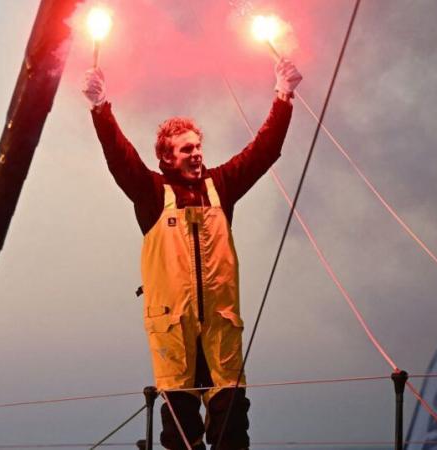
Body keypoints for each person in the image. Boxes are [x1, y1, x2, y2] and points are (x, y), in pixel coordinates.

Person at [82, 59, 301, 450]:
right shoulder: (151, 194)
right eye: (187, 149)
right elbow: (120, 157)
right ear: (167, 157)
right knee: (180, 435)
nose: (197, 154)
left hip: (220, 325)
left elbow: (264, 151)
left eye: (199, 146)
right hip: (173, 330)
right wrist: (101, 109)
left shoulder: (222, 186)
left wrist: (283, 97)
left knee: (233, 425)